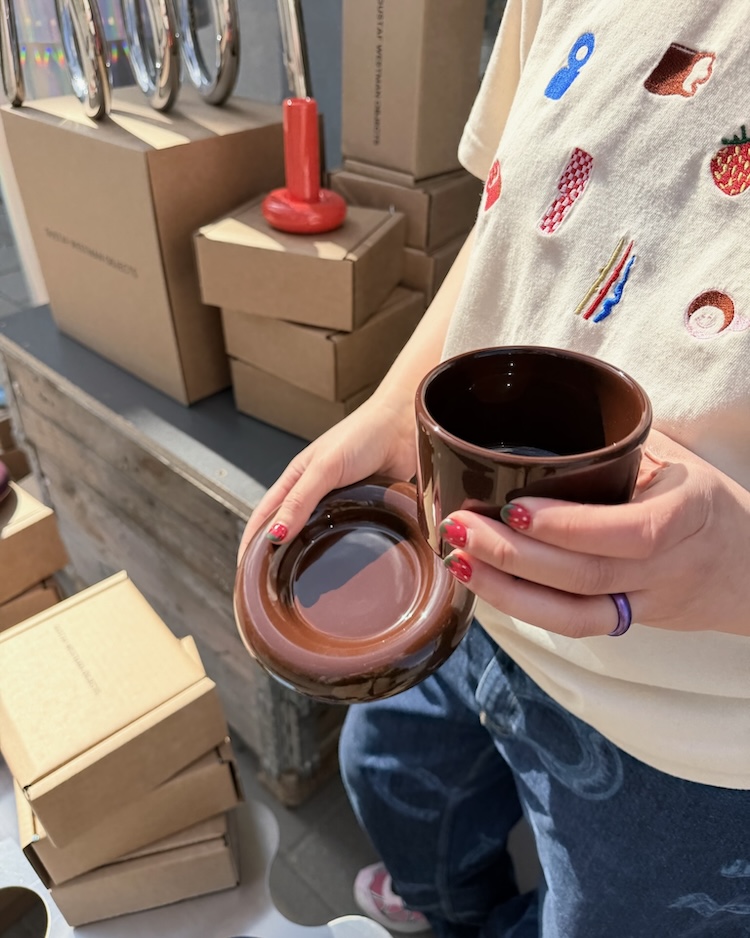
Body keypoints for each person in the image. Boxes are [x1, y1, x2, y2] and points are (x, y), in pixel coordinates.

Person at [239, 0, 750, 934]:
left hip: (692, 735)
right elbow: (514, 218)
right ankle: (452, 911)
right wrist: (393, 410)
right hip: (459, 569)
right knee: (383, 776)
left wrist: (736, 564)